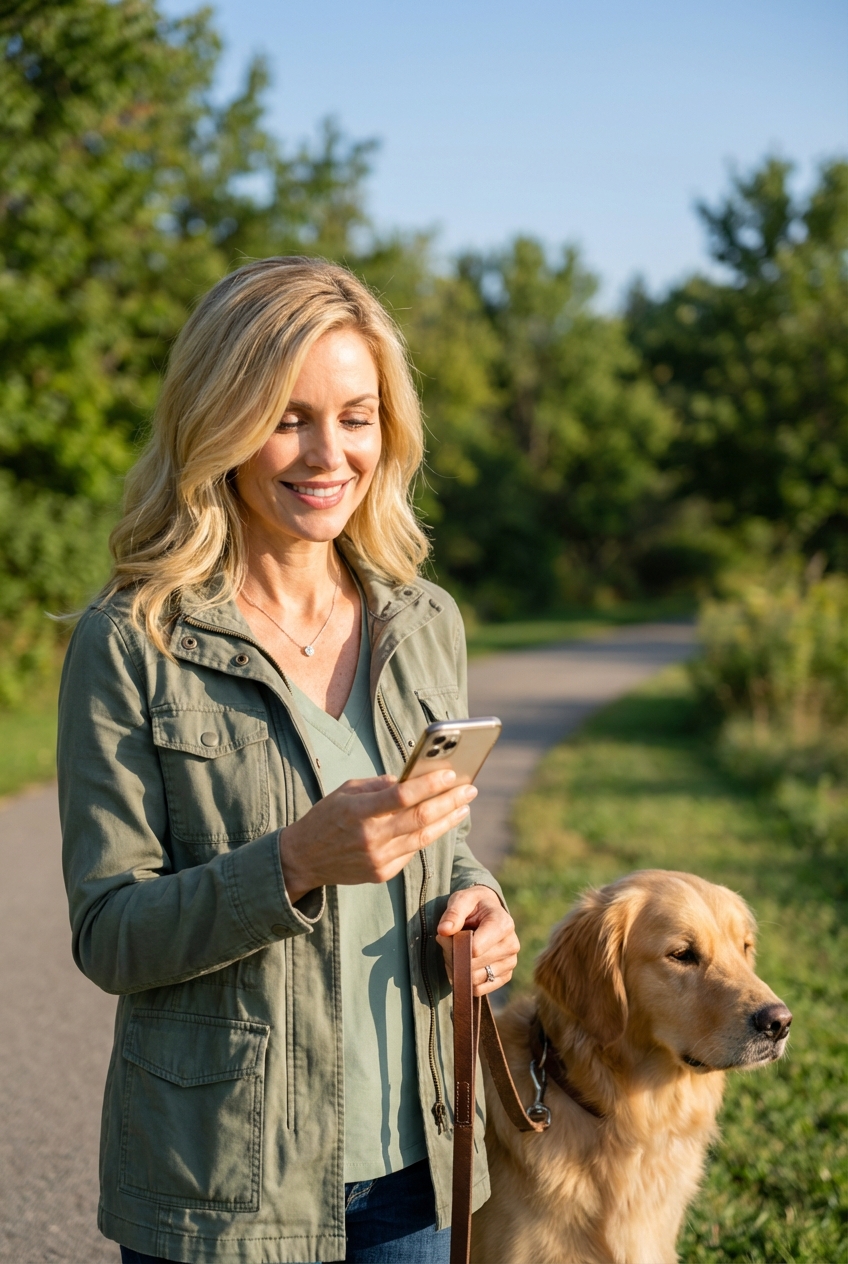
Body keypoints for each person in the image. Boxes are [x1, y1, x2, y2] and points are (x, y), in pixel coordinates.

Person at [58, 257, 519, 1264]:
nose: (329, 454)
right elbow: (108, 932)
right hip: (224, 1182)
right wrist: (292, 863)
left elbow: (441, 847)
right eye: (287, 416)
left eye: (355, 416)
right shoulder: (131, 642)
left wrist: (480, 905)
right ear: (218, 420)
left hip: (416, 1168)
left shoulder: (424, 620)